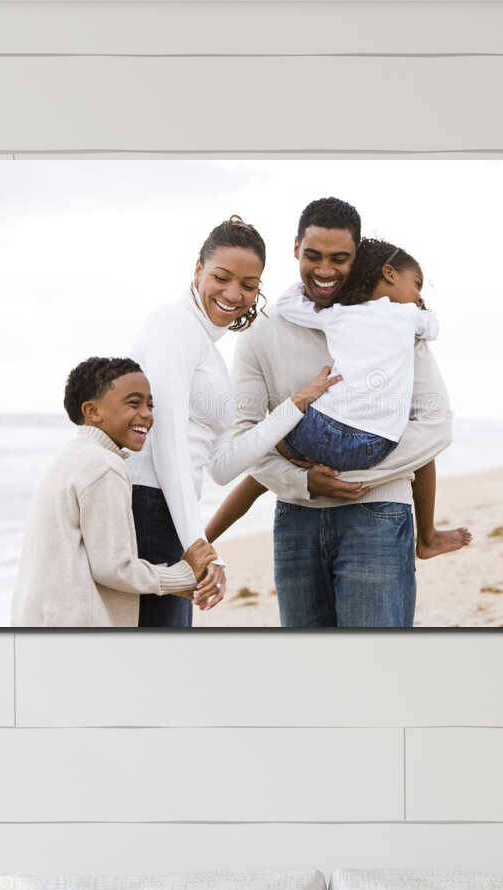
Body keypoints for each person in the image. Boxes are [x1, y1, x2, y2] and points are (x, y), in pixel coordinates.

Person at [225, 197, 454, 628]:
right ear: (295, 250)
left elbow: (436, 426)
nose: (325, 270)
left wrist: (349, 480)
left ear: (357, 257)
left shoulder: (396, 325)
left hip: (379, 512)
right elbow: (244, 436)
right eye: (313, 256)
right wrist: (301, 481)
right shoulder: (262, 332)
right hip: (295, 517)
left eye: (339, 258)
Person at [125, 216, 341, 627]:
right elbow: (167, 441)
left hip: (170, 511)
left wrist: (296, 405)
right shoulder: (174, 326)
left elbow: (222, 466)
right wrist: (199, 544)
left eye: (248, 285)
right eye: (221, 277)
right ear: (197, 270)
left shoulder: (209, 352)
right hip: (147, 507)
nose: (233, 294)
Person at [204, 237, 469, 562]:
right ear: (387, 273)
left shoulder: (338, 316)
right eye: (417, 285)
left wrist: (305, 478)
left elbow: (292, 306)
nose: (418, 296)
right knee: (413, 444)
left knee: (265, 457)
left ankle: (204, 537)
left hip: (318, 435)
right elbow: (432, 331)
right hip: (369, 439)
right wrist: (420, 315)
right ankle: (426, 535)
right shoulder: (402, 320)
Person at [11, 356, 223, 628]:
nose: (147, 414)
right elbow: (114, 568)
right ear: (92, 411)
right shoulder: (105, 467)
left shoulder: (70, 457)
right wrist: (183, 574)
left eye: (150, 404)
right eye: (133, 403)